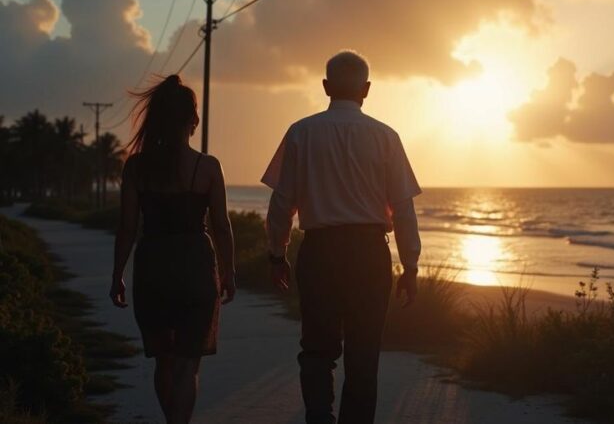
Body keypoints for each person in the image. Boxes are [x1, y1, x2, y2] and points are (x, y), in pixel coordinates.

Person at [263, 50, 422, 424]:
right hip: (369, 256)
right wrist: (410, 266)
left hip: (320, 253)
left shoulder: (301, 132)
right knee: (364, 354)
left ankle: (319, 417)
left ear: (325, 87)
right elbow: (403, 210)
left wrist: (276, 254)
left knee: (317, 348)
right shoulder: (387, 137)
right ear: (366, 89)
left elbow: (282, 203)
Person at [109, 74, 236, 424]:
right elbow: (222, 226)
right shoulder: (207, 168)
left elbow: (127, 228)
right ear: (193, 121)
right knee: (186, 364)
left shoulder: (136, 168)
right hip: (196, 267)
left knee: (164, 360)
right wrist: (230, 271)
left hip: (153, 269)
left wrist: (117, 275)